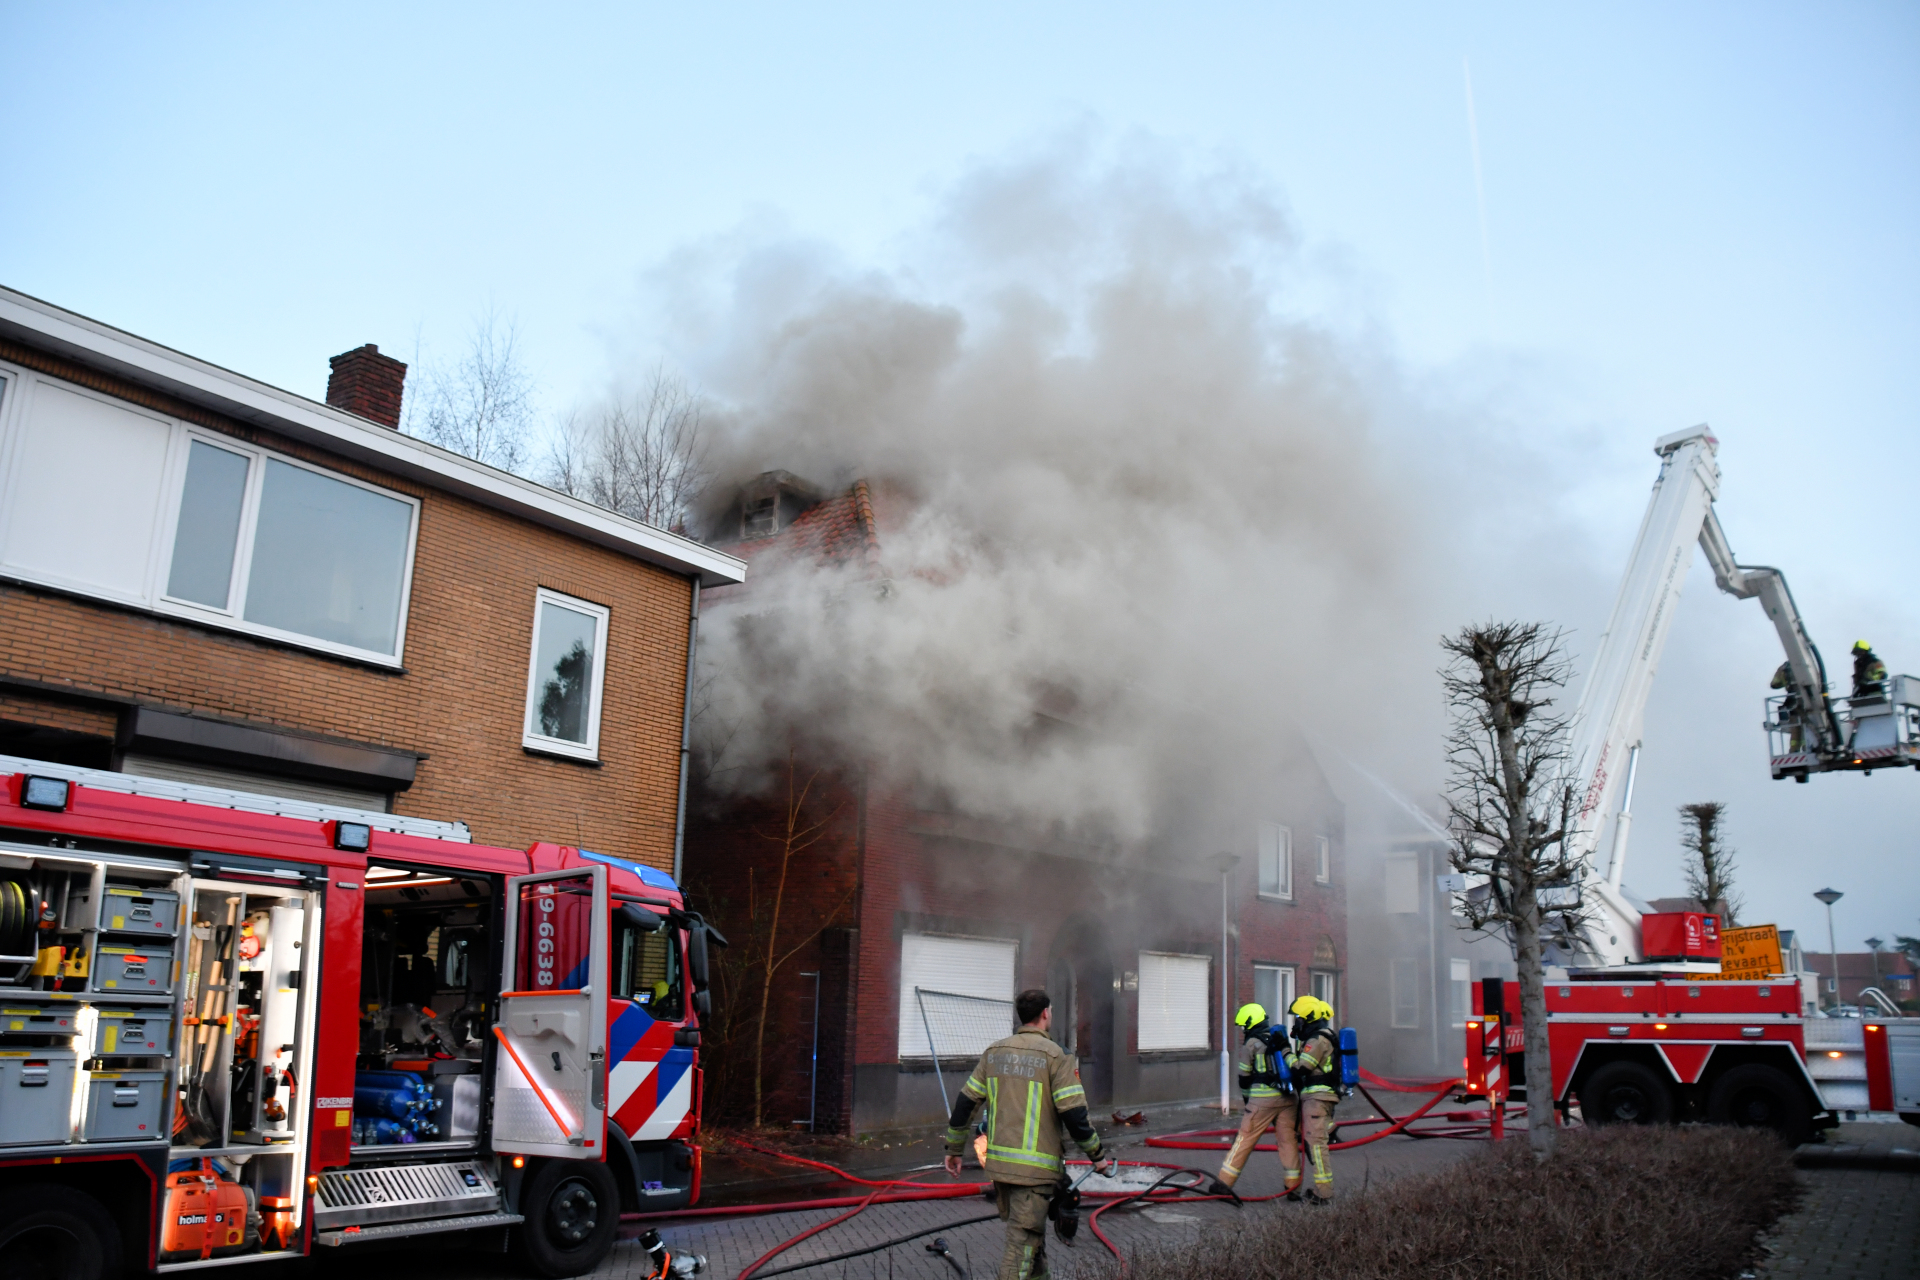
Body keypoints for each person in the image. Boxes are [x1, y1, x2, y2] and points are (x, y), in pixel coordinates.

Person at [944, 988, 1111, 1280]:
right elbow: (1075, 1116)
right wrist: (1097, 1155)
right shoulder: (1057, 1057)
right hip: (1034, 1173)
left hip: (1002, 1169)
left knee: (1033, 1244)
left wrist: (954, 1150)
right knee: (1021, 1247)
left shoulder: (994, 1053)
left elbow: (965, 1104)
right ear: (1046, 1013)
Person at [1209, 1002, 1292, 1199]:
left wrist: (1248, 1100)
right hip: (1288, 1098)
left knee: (1244, 1139)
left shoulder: (1251, 1044)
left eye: (1244, 1026)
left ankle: (1224, 1183)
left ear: (1251, 1023)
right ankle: (1293, 1187)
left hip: (1262, 1100)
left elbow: (1244, 1077)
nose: (1243, 1030)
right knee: (1288, 1142)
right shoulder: (1278, 1037)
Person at [1277, 995, 1340, 1204]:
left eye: (1298, 1018)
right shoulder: (1320, 1036)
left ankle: (1324, 1193)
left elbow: (1301, 1067)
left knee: (1316, 1145)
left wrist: (1285, 1050)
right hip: (1317, 1097)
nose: (1297, 1022)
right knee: (1313, 1142)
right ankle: (1321, 1190)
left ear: (1308, 1018)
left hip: (1317, 1098)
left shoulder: (1317, 1040)